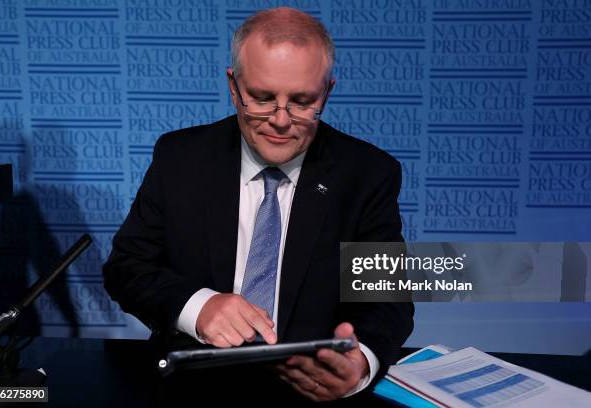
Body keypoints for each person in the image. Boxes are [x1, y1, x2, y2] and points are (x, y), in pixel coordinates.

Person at [103, 7, 413, 402]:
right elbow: (127, 269)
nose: (281, 121)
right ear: (234, 87)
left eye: (302, 102)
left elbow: (388, 301)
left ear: (327, 92)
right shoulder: (180, 158)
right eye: (262, 98)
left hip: (311, 393)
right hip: (191, 386)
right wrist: (198, 306)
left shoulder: (367, 174)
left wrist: (360, 364)